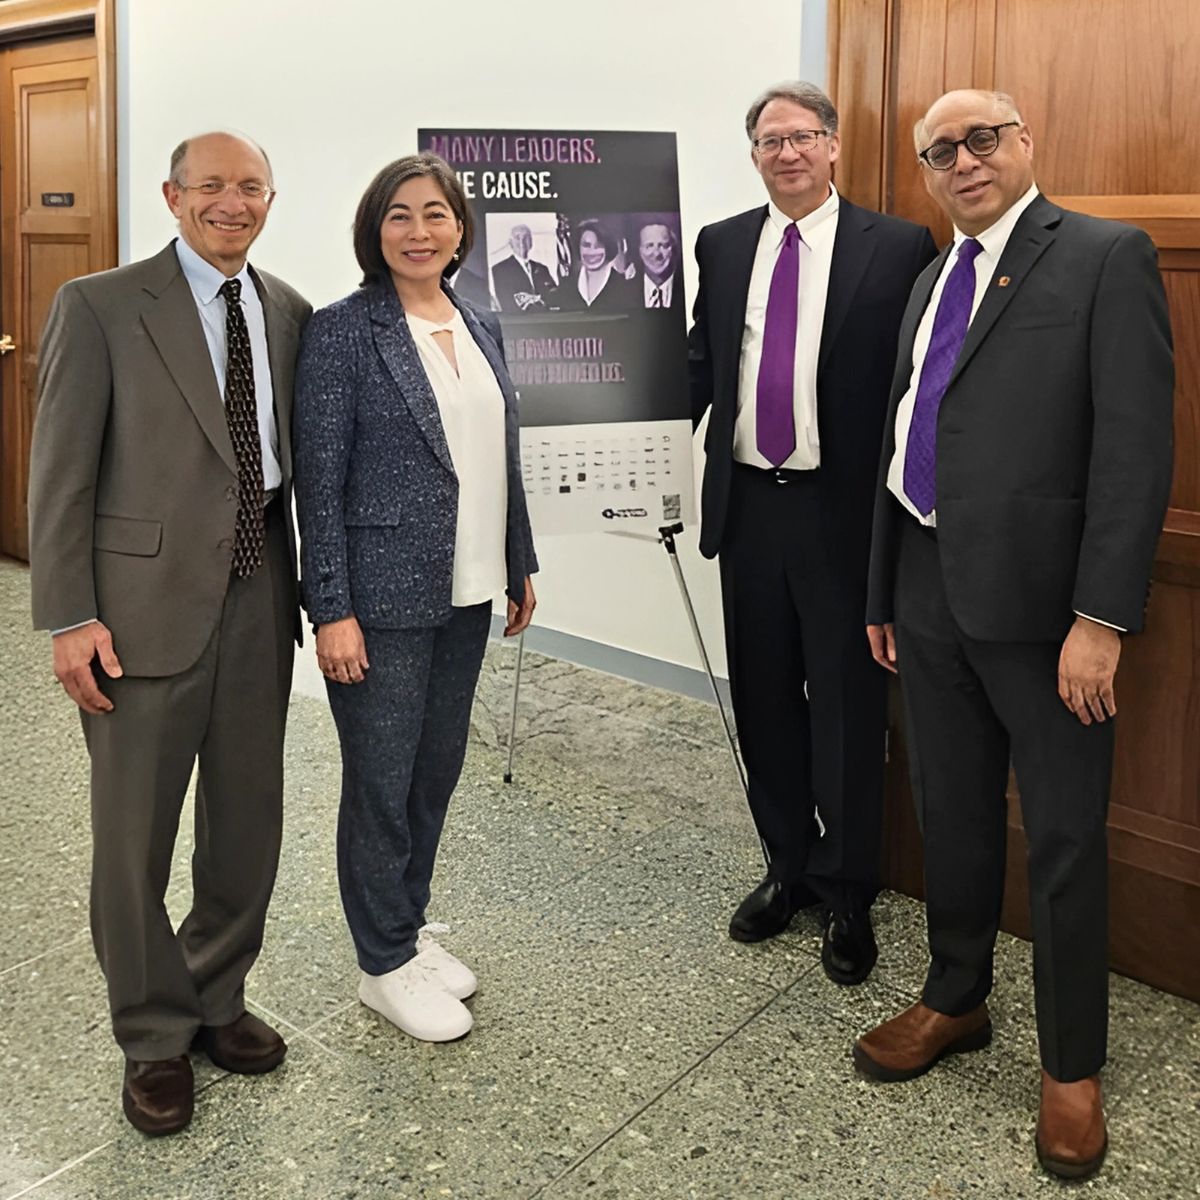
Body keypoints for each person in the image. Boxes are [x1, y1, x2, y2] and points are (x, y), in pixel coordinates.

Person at [855, 90, 1173, 1181]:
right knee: (950, 814)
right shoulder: (931, 275)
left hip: (1050, 618)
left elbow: (1134, 451)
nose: (962, 161)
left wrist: (1101, 618)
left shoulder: (1101, 256)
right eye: (939, 151)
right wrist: (886, 589)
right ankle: (955, 997)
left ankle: (1071, 1069)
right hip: (930, 589)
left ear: (1026, 140)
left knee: (1068, 841)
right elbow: (907, 434)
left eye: (981, 139)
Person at [28, 131, 311, 1136]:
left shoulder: (287, 309)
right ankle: (151, 1034)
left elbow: (287, 467)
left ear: (271, 201)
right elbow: (59, 466)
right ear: (172, 196)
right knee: (131, 841)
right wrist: (68, 613)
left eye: (251, 188)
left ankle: (216, 998)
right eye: (212, 187)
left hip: (257, 597)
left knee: (247, 825)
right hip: (135, 613)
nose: (231, 203)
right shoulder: (101, 304)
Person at [689, 82, 936, 983]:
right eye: (769, 139)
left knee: (845, 708)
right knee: (763, 699)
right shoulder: (722, 244)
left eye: (803, 137)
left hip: (843, 514)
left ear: (834, 146)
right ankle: (785, 866)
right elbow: (703, 365)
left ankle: (847, 891)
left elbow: (919, 383)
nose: (786, 152)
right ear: (753, 153)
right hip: (750, 508)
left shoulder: (901, 245)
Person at [294, 152, 537, 1044]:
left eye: (435, 214)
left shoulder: (479, 321)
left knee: (434, 775)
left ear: (461, 229)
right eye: (400, 215)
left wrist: (517, 561)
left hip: (467, 589)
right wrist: (332, 609)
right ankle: (382, 963)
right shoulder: (344, 330)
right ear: (374, 229)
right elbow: (319, 485)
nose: (419, 231)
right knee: (380, 784)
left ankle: (407, 924)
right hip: (380, 601)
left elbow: (497, 455)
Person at [556, 218, 638, 311]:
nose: (592, 252)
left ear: (608, 248)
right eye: (586, 245)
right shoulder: (566, 287)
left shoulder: (625, 288)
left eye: (598, 246)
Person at [491, 223, 557, 312]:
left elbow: (555, 297)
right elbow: (507, 304)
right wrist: (540, 299)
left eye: (526, 237)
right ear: (511, 244)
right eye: (517, 238)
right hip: (520, 323)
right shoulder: (500, 269)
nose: (522, 241)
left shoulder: (542, 269)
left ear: (531, 242)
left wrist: (532, 298)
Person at [635, 220, 683, 309]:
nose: (657, 254)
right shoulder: (624, 292)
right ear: (639, 250)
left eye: (664, 245)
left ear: (673, 248)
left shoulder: (687, 288)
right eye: (649, 246)